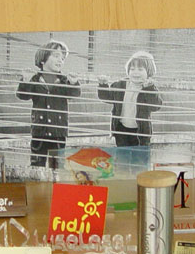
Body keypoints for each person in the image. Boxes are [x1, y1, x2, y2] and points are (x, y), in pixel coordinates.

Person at [16, 40, 81, 169]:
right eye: (56, 56)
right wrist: (26, 81)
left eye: (63, 58)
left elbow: (74, 94)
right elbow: (23, 95)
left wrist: (74, 83)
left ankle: (55, 181)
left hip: (58, 133)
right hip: (39, 131)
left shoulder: (64, 81)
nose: (60, 60)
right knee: (36, 164)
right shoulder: (34, 79)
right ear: (43, 59)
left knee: (57, 166)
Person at [97, 51, 163, 147]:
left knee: (140, 155)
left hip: (140, 132)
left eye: (140, 69)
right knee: (123, 154)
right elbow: (107, 97)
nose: (135, 72)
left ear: (148, 72)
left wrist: (149, 88)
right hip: (121, 129)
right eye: (132, 69)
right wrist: (103, 85)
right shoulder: (120, 85)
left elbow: (156, 106)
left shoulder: (149, 89)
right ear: (128, 71)